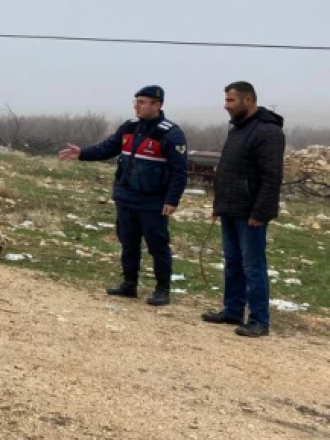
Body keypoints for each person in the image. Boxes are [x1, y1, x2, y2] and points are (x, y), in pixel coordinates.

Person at [58, 86, 188, 306]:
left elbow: (179, 171)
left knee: (157, 245)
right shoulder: (130, 128)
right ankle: (129, 285)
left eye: (142, 102)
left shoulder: (170, 134)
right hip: (126, 197)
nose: (137, 106)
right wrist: (82, 154)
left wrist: (171, 200)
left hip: (153, 201)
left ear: (157, 105)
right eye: (135, 101)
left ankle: (162, 289)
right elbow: (107, 148)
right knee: (128, 242)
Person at [201, 81, 285, 338]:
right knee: (233, 263)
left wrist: (260, 213)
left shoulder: (268, 132)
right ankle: (233, 310)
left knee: (253, 265)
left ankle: (259, 319)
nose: (226, 106)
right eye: (226, 100)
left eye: (231, 101)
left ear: (248, 100)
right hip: (230, 208)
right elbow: (229, 171)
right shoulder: (237, 129)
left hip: (251, 214)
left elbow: (272, 177)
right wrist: (219, 205)